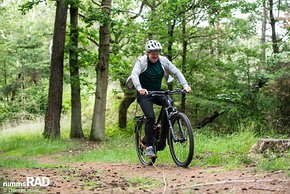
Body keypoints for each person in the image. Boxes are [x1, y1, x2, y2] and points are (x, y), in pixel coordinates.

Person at [127, 40, 191, 158]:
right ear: (147, 53)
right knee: (150, 117)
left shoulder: (163, 61)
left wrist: (185, 85)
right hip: (144, 94)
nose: (155, 55)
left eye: (157, 52)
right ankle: (150, 147)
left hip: (157, 91)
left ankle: (161, 133)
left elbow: (176, 72)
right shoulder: (141, 61)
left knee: (169, 104)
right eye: (152, 52)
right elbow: (134, 74)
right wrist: (139, 88)